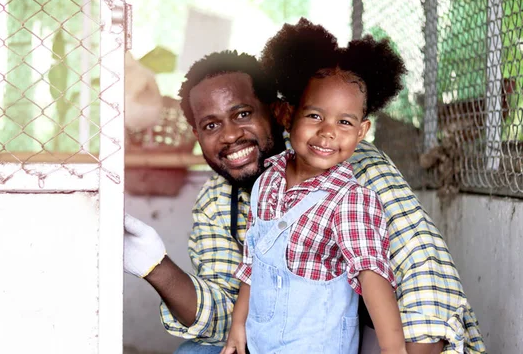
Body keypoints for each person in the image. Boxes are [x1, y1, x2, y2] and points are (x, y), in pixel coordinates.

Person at [123, 18, 487, 354]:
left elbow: (424, 273)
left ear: (276, 111)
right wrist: (156, 266)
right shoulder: (222, 200)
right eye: (211, 125)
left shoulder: (358, 173)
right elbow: (230, 303)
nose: (231, 136)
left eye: (243, 114)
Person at [222, 29, 408, 354]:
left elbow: (373, 277)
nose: (327, 132)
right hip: (261, 344)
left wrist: (395, 351)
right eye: (315, 115)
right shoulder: (267, 182)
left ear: (362, 131)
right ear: (287, 115)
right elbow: (253, 263)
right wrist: (238, 328)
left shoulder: (349, 200)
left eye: (345, 123)